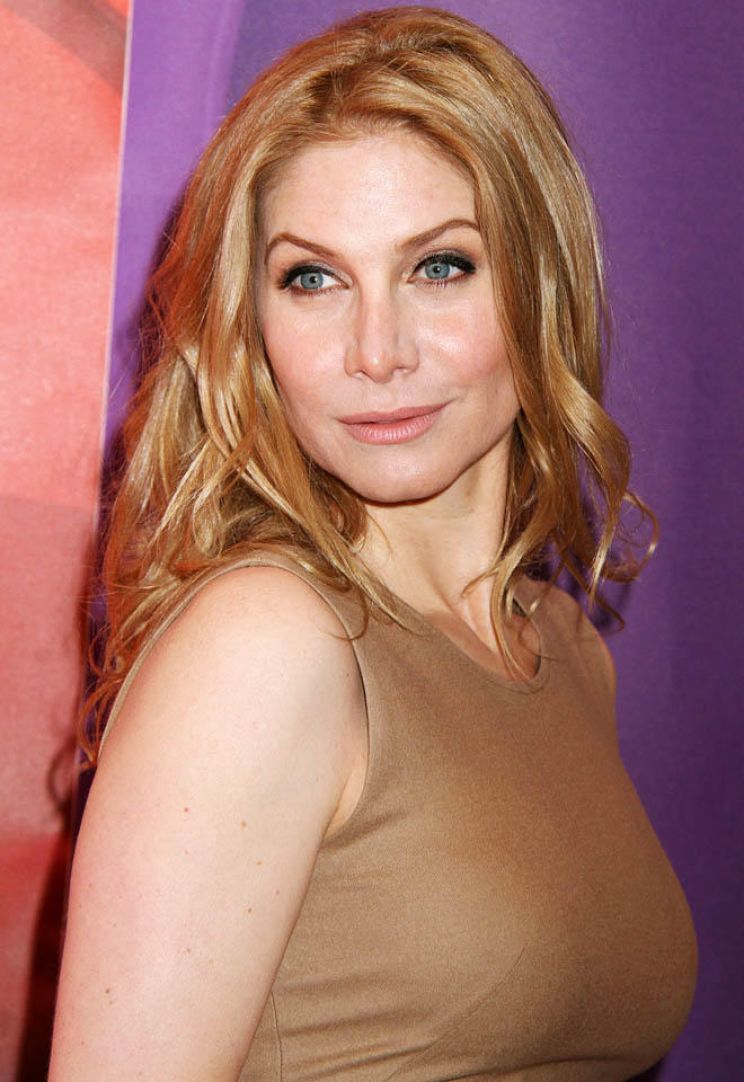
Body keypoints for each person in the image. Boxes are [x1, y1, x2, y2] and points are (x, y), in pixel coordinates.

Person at [49, 6, 698, 1080]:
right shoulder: (266, 645)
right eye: (313, 278)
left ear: (539, 282)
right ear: (250, 326)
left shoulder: (565, 643)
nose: (377, 351)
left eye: (439, 266)